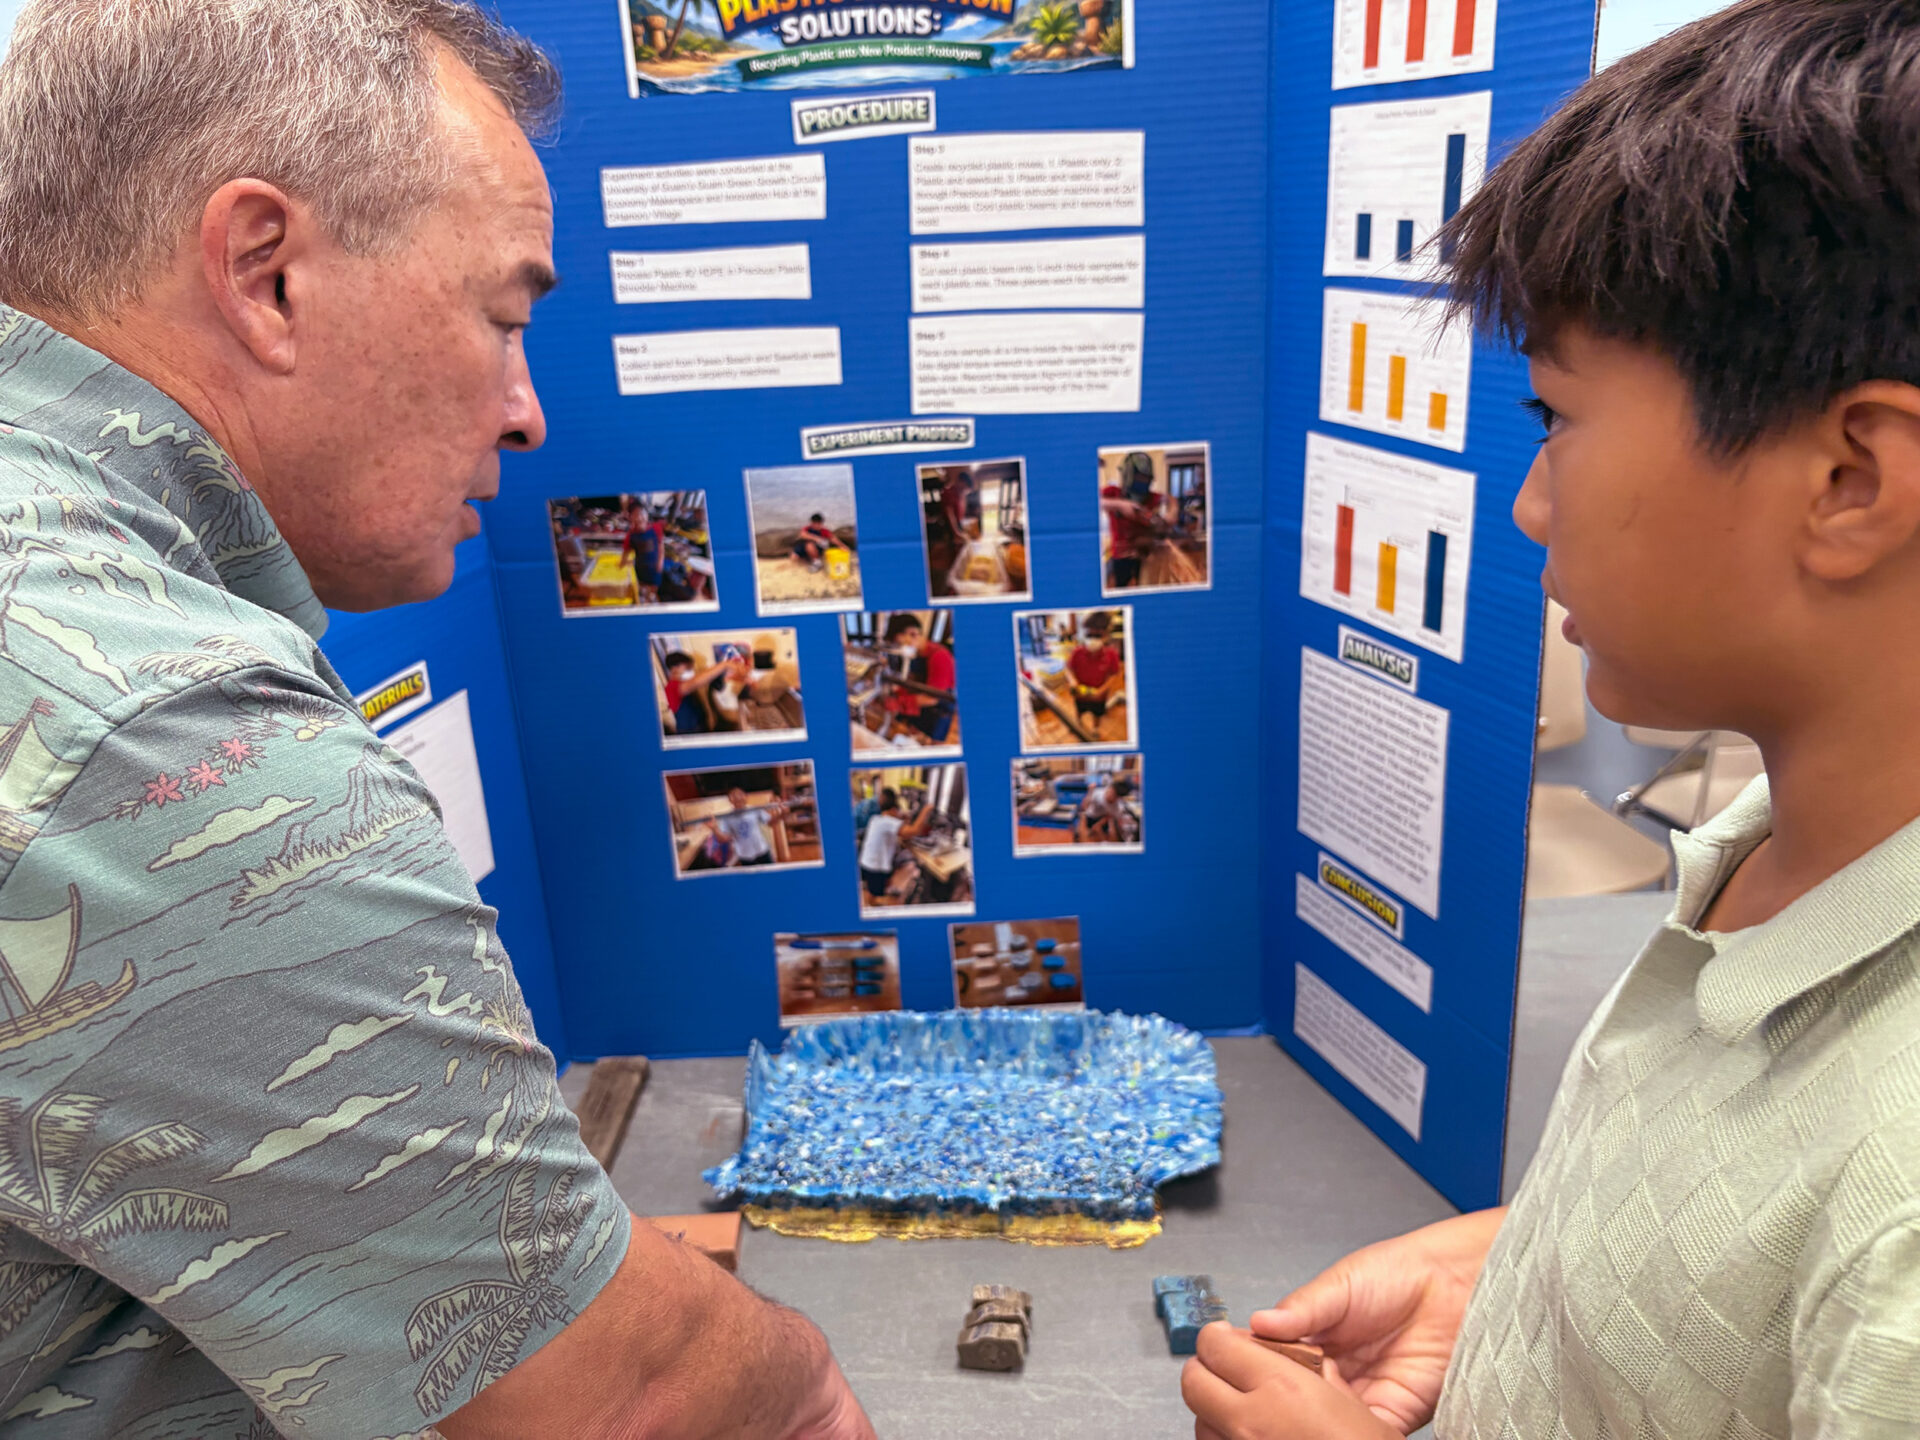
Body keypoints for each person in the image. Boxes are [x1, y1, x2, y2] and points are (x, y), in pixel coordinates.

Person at [0, 3, 872, 1437]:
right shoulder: (167, 744)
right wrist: (798, 1382)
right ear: (265, 274)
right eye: (503, 316)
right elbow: (625, 1404)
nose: (526, 412)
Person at [1183, 4, 1920, 1438]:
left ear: (1850, 480)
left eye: (1556, 420)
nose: (1527, 505)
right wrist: (1522, 1272)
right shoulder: (1784, 839)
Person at [883, 612, 957, 747]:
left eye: (900, 643)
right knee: (913, 738)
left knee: (933, 745)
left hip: (939, 710)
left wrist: (898, 703)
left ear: (913, 633)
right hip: (923, 706)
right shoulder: (918, 654)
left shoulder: (940, 657)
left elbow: (932, 699)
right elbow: (914, 681)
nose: (900, 648)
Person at [1100, 450, 1165, 589]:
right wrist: (1120, 504)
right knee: (1120, 587)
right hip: (1120, 556)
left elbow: (1169, 501)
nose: (1143, 482)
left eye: (1146, 479)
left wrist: (1169, 515)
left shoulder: (1152, 497)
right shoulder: (1113, 492)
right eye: (1139, 478)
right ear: (1128, 476)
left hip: (1144, 556)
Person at [856, 786, 932, 904]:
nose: (900, 814)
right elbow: (914, 831)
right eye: (898, 811)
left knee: (888, 875)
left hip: (868, 861)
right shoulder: (888, 822)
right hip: (874, 866)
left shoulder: (877, 818)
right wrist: (926, 809)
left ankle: (884, 891)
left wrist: (904, 818)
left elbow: (902, 829)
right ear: (893, 810)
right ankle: (872, 908)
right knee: (873, 891)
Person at [1066, 611, 1125, 733]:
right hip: (1080, 694)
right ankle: (1078, 723)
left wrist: (1102, 690)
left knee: (1097, 714)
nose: (1092, 640)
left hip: (1099, 696)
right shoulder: (1077, 652)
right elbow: (1069, 668)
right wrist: (1072, 681)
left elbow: (1114, 674)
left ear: (1106, 635)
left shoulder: (1111, 655)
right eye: (1089, 635)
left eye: (1097, 636)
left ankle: (1095, 729)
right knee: (1079, 710)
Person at [660, 648, 729, 737]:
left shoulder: (684, 683)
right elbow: (696, 682)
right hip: (689, 733)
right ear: (674, 668)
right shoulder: (672, 687)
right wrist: (724, 665)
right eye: (688, 667)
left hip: (701, 727)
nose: (691, 670)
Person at [711, 786, 785, 867]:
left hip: (762, 851)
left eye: (740, 794)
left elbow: (770, 823)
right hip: (745, 856)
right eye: (733, 796)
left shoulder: (755, 809)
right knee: (753, 879)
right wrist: (714, 828)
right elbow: (723, 839)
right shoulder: (727, 817)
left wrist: (783, 814)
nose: (737, 798)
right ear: (729, 800)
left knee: (772, 876)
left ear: (746, 796)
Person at [1076, 772, 1135, 844]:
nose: (1110, 796)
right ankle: (1091, 831)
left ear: (1119, 798)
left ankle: (1095, 831)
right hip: (1091, 815)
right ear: (1110, 787)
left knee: (1103, 833)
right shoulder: (1097, 792)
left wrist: (1099, 824)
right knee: (1089, 830)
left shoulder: (1117, 807)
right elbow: (1084, 807)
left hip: (1102, 817)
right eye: (1111, 792)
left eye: (1115, 796)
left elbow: (1110, 815)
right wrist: (1090, 792)